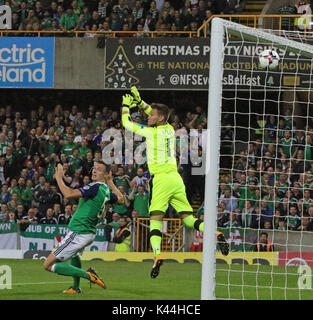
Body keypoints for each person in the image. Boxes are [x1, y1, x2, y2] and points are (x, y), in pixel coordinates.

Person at [121, 86, 229, 278]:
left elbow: (126, 124)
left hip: (161, 179)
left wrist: (126, 105)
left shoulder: (151, 133)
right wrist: (140, 101)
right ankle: (216, 234)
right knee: (188, 219)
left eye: (151, 115)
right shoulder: (170, 129)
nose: (148, 117)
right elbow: (155, 112)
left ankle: (156, 256)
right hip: (176, 179)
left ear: (159, 118)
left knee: (155, 220)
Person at [43, 162, 124, 294]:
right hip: (87, 232)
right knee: (74, 255)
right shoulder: (106, 191)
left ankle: (89, 275)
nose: (94, 171)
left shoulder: (95, 186)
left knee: (48, 265)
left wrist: (58, 177)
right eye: (94, 168)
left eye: (99, 169)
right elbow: (121, 199)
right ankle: (75, 288)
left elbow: (68, 194)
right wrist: (110, 181)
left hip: (79, 232)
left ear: (105, 174)